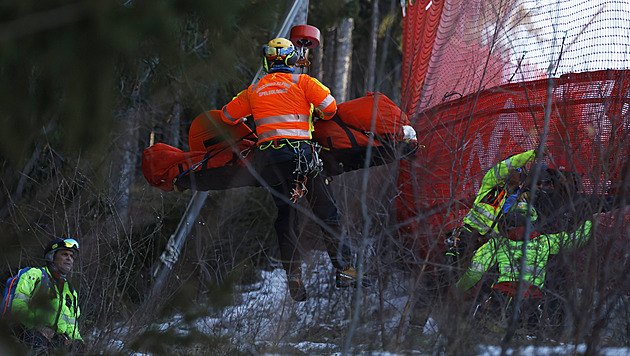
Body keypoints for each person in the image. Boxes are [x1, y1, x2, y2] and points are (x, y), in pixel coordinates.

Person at [220, 37, 362, 301]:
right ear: (292, 60)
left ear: (267, 61)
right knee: (327, 212)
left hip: (270, 163)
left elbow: (227, 116)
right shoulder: (304, 82)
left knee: (287, 216)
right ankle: (344, 270)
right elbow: (330, 110)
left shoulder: (254, 90)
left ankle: (293, 276)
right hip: (301, 157)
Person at [455, 203, 595, 334]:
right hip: (532, 301)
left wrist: (456, 290)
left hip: (502, 299)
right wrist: (591, 222)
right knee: (529, 337)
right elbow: (576, 240)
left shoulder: (496, 243)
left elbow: (474, 272)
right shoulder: (544, 242)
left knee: (493, 336)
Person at [446, 149, 540, 263]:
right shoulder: (491, 183)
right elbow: (509, 165)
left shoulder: (517, 198)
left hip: (490, 245)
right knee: (453, 266)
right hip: (470, 235)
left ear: (522, 177)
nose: (511, 172)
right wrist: (533, 154)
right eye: (510, 168)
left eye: (517, 170)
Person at [8, 238, 84, 354]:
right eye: (64, 254)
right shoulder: (35, 275)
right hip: (27, 333)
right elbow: (18, 307)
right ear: (51, 256)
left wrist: (78, 341)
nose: (69, 259)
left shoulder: (70, 291)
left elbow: (72, 325)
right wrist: (38, 327)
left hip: (55, 341)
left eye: (71, 256)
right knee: (39, 344)